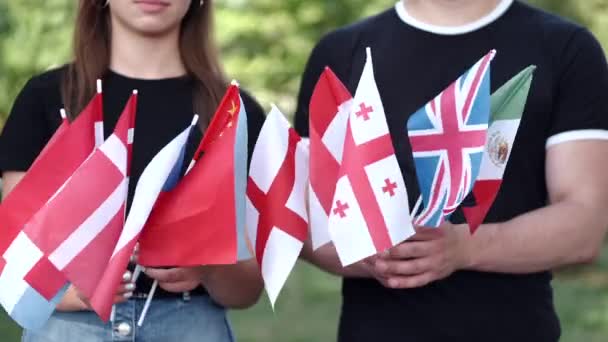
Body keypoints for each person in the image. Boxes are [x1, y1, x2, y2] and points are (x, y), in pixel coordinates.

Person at [295, 0, 608, 341]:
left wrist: (464, 249)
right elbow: (304, 218)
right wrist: (375, 254)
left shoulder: (567, 48)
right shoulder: (340, 52)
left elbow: (584, 223)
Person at [0, 0, 264, 341]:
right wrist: (63, 296)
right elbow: (11, 255)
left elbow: (247, 290)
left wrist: (210, 268)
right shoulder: (46, 98)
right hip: (70, 329)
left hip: (190, 327)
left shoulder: (233, 113)